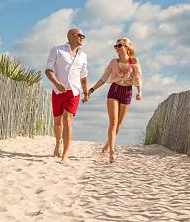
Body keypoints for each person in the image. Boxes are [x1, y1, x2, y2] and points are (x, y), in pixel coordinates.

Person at [88, 37, 142, 163]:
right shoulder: (113, 62)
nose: (117, 48)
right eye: (116, 46)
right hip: (114, 90)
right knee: (113, 122)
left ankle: (106, 146)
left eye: (119, 45)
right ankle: (112, 152)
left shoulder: (134, 61)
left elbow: (138, 77)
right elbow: (103, 78)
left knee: (118, 125)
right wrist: (92, 90)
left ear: (127, 47)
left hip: (127, 91)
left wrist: (139, 92)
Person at [45, 28, 89, 164]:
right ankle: (58, 143)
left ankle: (65, 154)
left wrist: (86, 92)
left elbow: (83, 77)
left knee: (67, 120)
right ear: (71, 35)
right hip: (58, 91)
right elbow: (48, 70)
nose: (82, 38)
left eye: (83, 36)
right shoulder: (57, 50)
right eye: (80, 35)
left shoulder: (83, 56)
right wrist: (57, 84)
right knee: (57, 121)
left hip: (74, 92)